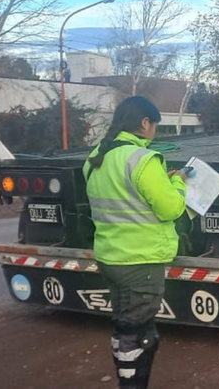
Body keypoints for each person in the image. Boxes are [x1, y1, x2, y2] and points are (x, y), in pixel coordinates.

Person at [83, 96, 187, 389]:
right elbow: (171, 208)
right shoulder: (141, 160)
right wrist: (178, 183)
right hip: (140, 262)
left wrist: (158, 181)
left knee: (128, 327)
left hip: (111, 259)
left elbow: (125, 195)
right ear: (145, 123)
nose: (155, 132)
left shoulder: (96, 158)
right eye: (155, 126)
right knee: (138, 336)